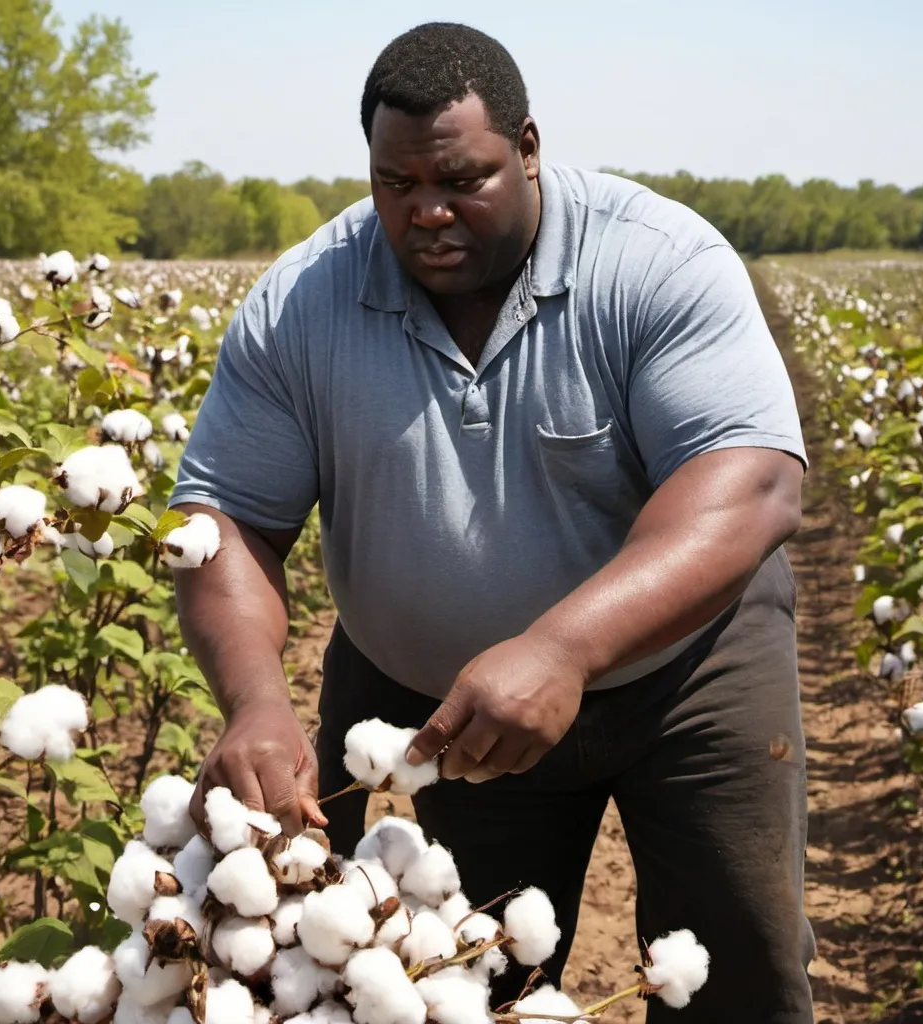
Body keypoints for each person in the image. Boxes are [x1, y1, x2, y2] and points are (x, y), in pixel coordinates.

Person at [169, 21, 815, 1023]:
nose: (427, 210)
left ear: (526, 148)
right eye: (396, 183)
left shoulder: (654, 261)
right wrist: (253, 696)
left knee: (737, 972)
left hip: (687, 681)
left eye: (462, 178)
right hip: (455, 715)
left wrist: (562, 645)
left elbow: (753, 482)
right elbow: (227, 520)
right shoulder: (304, 300)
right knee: (472, 978)